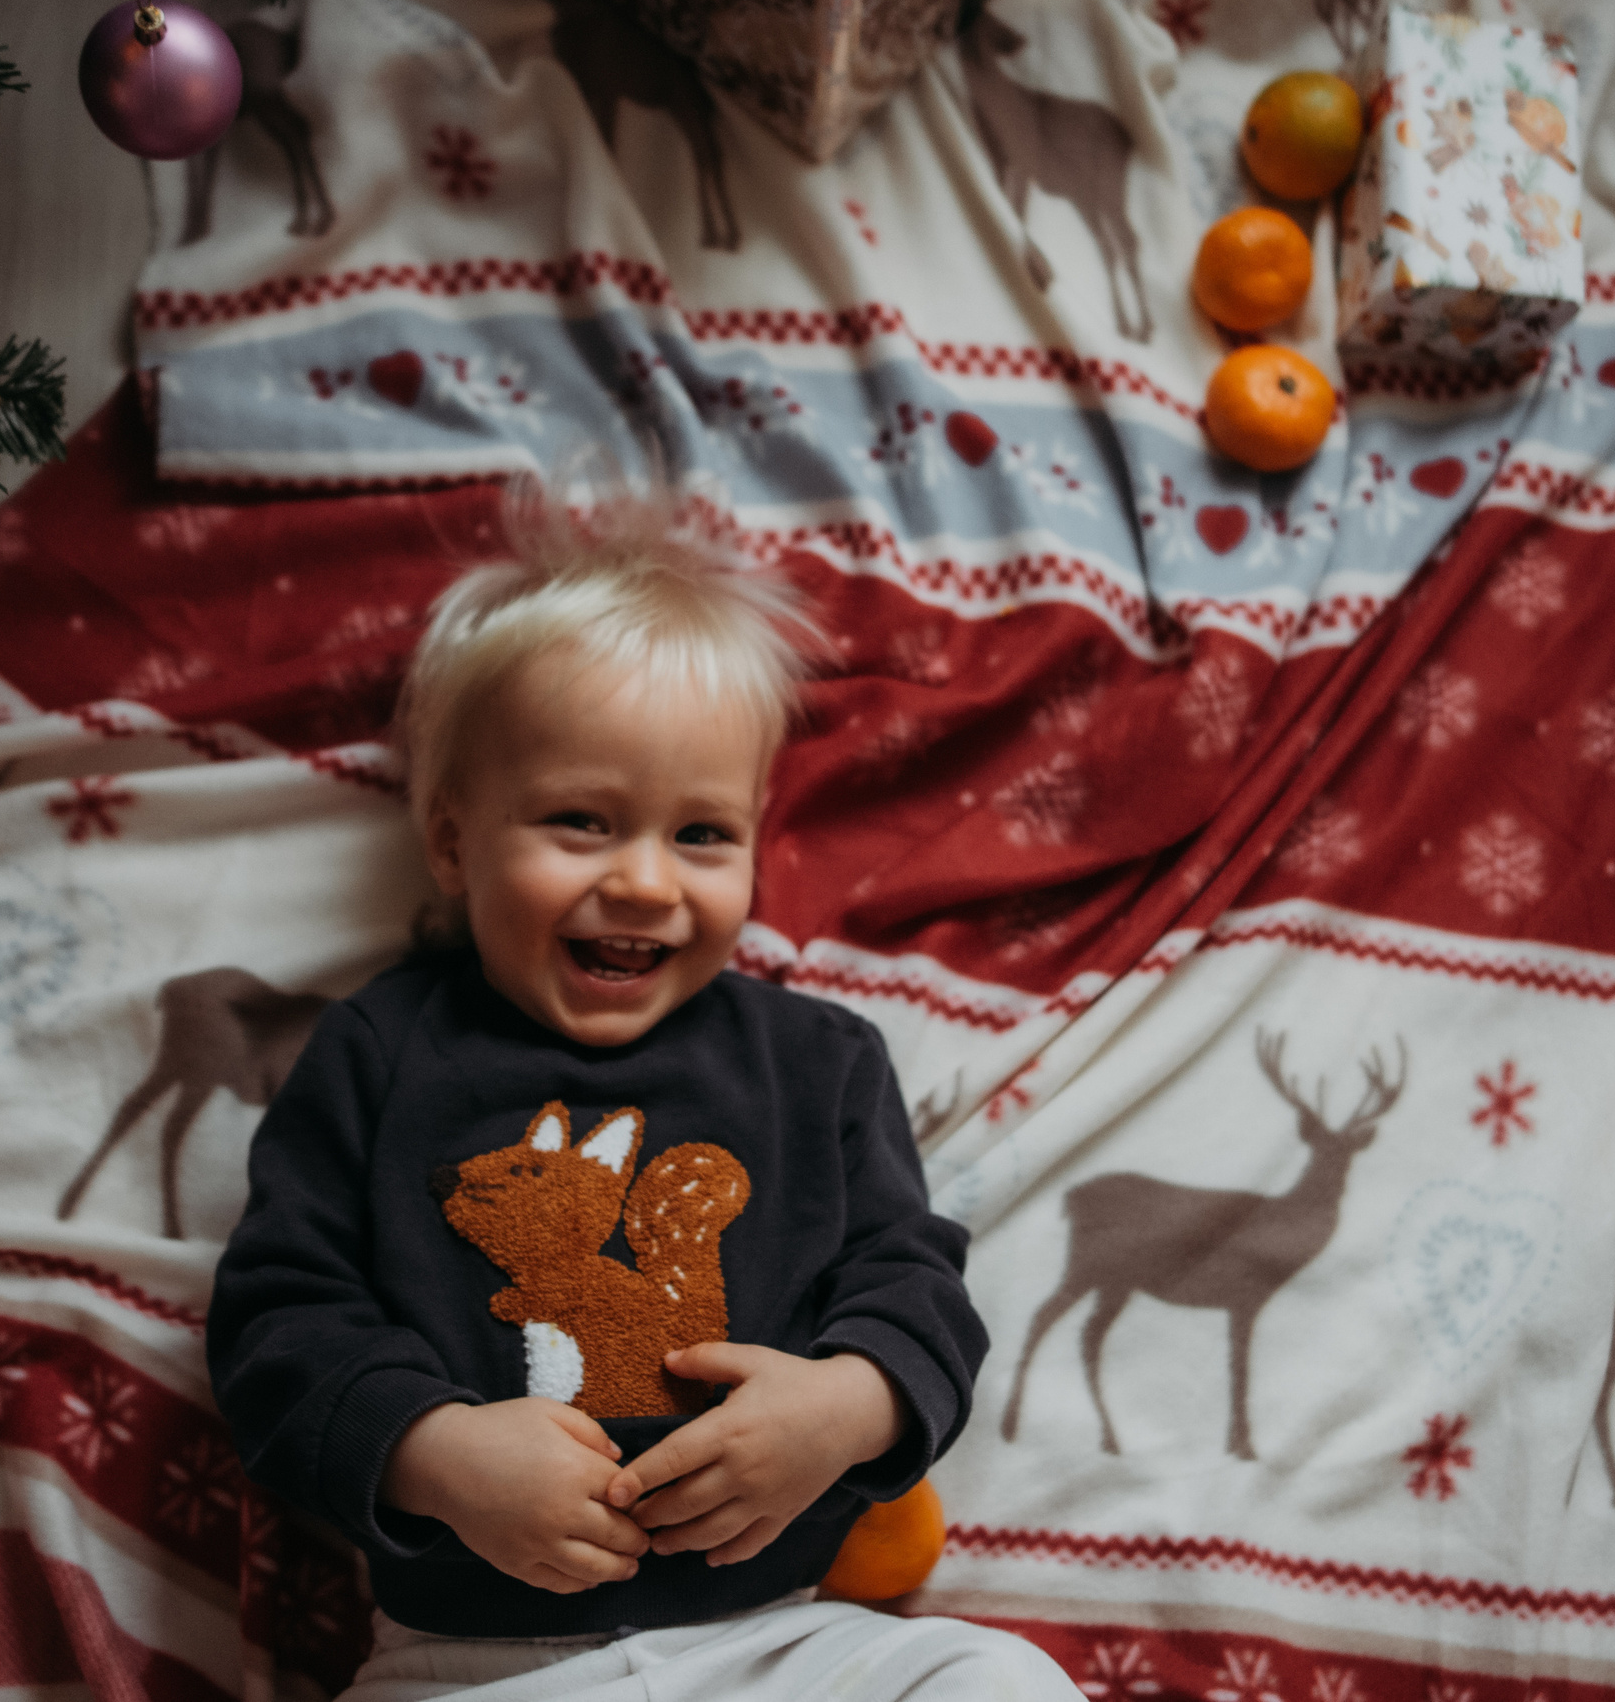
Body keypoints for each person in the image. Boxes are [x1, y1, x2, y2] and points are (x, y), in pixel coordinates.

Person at [207, 486, 1079, 1700]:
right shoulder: (376, 1051)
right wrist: (436, 1451)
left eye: (703, 834)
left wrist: (846, 1403)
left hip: (774, 1638)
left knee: (996, 1679)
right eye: (580, 821)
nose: (643, 881)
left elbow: (914, 1284)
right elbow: (275, 1327)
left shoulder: (817, 1062)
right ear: (454, 844)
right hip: (464, 1663)